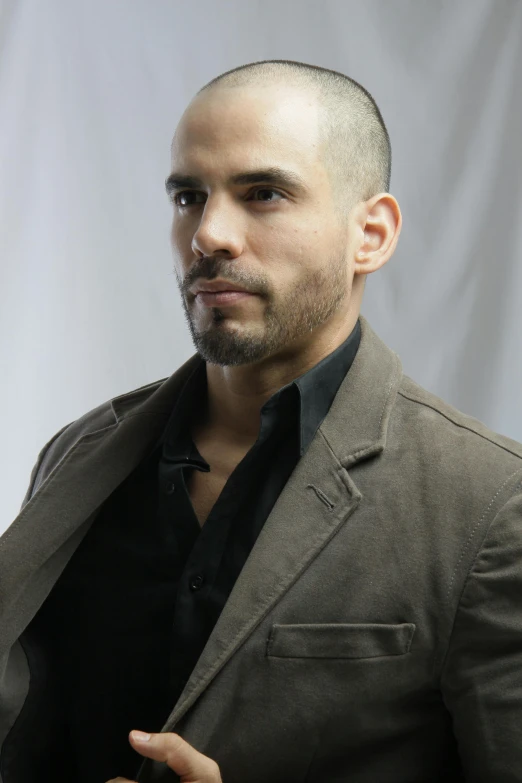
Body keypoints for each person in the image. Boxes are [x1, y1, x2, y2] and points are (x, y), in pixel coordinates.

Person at [1, 58, 522, 783]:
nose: (208, 234)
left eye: (264, 193)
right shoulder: (80, 455)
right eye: (189, 195)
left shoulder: (490, 502)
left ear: (370, 233)